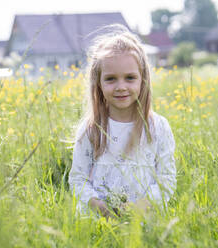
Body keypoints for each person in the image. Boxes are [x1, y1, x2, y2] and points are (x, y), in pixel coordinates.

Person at [68, 24, 176, 218]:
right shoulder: (91, 129)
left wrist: (142, 207)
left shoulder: (157, 127)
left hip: (144, 222)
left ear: (143, 79)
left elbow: (167, 179)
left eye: (129, 78)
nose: (121, 87)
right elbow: (77, 179)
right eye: (110, 79)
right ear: (98, 83)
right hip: (99, 221)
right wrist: (98, 205)